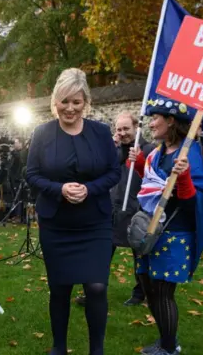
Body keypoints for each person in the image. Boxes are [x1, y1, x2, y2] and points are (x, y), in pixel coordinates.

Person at [26, 68, 121, 355]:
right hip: (57, 225)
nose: (70, 108)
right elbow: (31, 174)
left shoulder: (101, 132)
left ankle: (97, 350)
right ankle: (59, 347)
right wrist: (60, 189)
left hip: (95, 224)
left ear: (86, 103)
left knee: (96, 287)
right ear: (55, 101)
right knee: (60, 288)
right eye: (64, 101)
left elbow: (113, 171)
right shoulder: (42, 133)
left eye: (76, 102)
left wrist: (89, 189)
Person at [127, 98, 203, 355]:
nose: (151, 123)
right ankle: (167, 339)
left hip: (175, 233)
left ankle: (168, 347)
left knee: (163, 292)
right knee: (147, 285)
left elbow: (192, 203)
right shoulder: (158, 151)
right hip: (152, 229)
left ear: (171, 121)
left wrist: (184, 176)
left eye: (156, 118)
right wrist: (141, 164)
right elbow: (156, 185)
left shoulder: (190, 153)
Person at [75, 111, 152, 307]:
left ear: (136, 128)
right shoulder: (113, 149)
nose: (122, 133)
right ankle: (93, 292)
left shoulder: (149, 149)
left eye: (126, 128)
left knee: (140, 256)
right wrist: (109, 147)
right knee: (100, 255)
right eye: (119, 129)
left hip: (137, 211)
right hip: (110, 210)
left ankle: (140, 293)